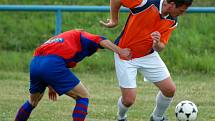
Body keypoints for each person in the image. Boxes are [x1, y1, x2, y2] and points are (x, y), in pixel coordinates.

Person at [100, 0, 193, 121]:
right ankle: (121, 117)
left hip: (148, 55)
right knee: (128, 100)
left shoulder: (172, 21)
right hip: (125, 55)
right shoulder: (145, 3)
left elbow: (161, 47)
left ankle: (157, 117)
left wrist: (157, 43)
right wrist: (114, 20)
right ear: (172, 4)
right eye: (181, 10)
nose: (182, 14)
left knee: (169, 90)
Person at [14, 29, 131, 121]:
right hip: (52, 64)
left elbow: (47, 60)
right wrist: (120, 51)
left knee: (32, 102)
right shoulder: (81, 35)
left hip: (35, 63)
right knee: (83, 96)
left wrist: (50, 85)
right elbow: (102, 40)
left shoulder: (60, 39)